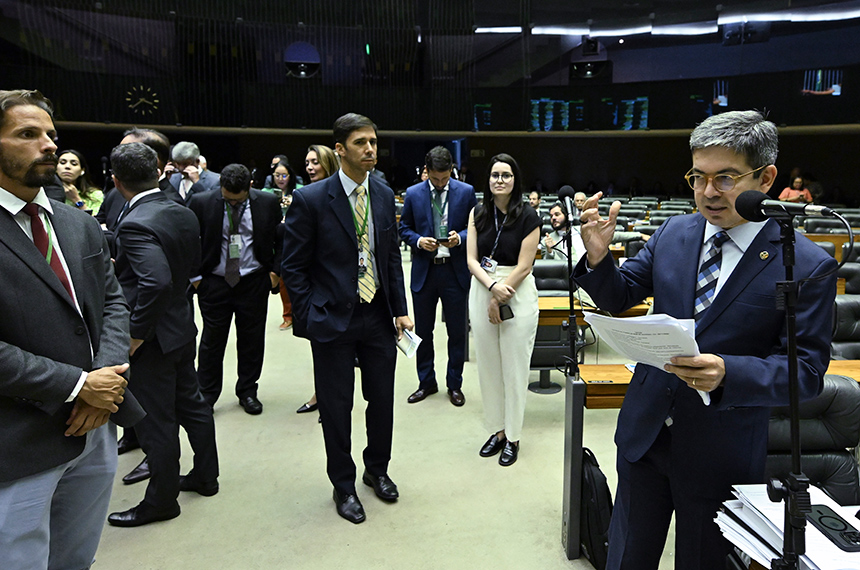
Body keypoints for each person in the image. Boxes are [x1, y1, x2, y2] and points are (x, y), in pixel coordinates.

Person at [574, 110, 837, 569]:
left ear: (765, 178)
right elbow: (621, 294)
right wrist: (598, 259)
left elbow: (807, 372)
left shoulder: (805, 263)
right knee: (627, 557)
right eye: (698, 177)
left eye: (725, 178)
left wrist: (728, 373)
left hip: (722, 452)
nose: (708, 192)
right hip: (645, 434)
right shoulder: (674, 232)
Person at [0, 88, 144, 567]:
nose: (48, 145)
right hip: (20, 439)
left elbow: (114, 302)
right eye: (27, 134)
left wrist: (105, 382)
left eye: (50, 134)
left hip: (95, 427)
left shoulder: (76, 223)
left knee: (76, 558)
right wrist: (79, 386)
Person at [281, 113, 413, 524]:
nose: (370, 149)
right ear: (340, 149)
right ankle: (343, 484)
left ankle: (377, 469)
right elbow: (293, 267)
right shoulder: (311, 199)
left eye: (373, 141)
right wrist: (309, 315)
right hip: (332, 318)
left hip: (377, 314)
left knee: (382, 399)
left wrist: (401, 309)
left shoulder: (382, 193)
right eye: (360, 142)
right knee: (337, 407)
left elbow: (390, 258)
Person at [107, 142, 219, 527]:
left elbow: (154, 282)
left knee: (156, 421)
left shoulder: (135, 221)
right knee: (192, 406)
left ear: (116, 181)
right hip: (181, 325)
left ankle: (161, 501)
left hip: (152, 337)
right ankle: (206, 476)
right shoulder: (181, 210)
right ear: (158, 172)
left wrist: (135, 335)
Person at [466, 153, 541, 467]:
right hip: (483, 286)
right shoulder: (478, 212)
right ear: (488, 180)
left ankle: (513, 436)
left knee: (514, 368)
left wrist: (499, 295)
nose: (500, 180)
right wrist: (490, 288)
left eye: (506, 175)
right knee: (489, 367)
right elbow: (471, 260)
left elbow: (525, 266)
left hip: (516, 290)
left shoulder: (529, 215)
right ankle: (497, 430)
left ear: (515, 180)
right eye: (495, 175)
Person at [189, 164, 282, 414]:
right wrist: (196, 279)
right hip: (214, 282)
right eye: (227, 199)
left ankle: (248, 391)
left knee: (252, 340)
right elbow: (188, 240)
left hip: (253, 280)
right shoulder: (201, 202)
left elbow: (281, 238)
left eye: (237, 200)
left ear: (249, 187)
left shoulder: (267, 202)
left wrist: (275, 274)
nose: (232, 203)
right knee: (211, 342)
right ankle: (207, 394)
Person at [399, 146, 477, 406]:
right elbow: (404, 228)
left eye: (445, 178)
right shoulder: (413, 193)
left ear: (451, 170)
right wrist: (419, 241)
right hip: (425, 270)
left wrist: (460, 238)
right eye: (435, 179)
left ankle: (454, 384)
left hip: (454, 271)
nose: (441, 183)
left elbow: (476, 227)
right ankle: (426, 382)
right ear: (427, 171)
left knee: (457, 332)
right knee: (423, 331)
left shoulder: (465, 192)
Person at [295, 143, 339, 416]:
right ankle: (322, 397)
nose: (310, 167)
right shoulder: (304, 197)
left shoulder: (342, 196)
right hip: (316, 291)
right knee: (321, 350)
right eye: (307, 163)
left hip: (343, 287)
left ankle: (329, 401)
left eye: (315, 162)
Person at [58, 149, 104, 214]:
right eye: (62, 163)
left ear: (82, 171)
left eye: (74, 164)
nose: (67, 167)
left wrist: (76, 199)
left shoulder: (94, 194)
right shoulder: (46, 191)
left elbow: (95, 220)